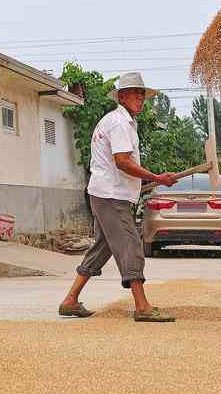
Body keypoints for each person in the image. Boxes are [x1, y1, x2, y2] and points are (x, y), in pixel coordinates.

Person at [58, 72, 177, 323]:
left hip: (107, 193)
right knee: (130, 244)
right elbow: (122, 162)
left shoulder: (118, 122)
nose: (141, 98)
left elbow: (120, 165)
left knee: (103, 247)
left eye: (143, 94)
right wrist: (156, 177)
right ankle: (142, 306)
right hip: (111, 196)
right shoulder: (120, 123)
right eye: (136, 93)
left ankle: (70, 300)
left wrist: (147, 182)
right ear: (122, 97)